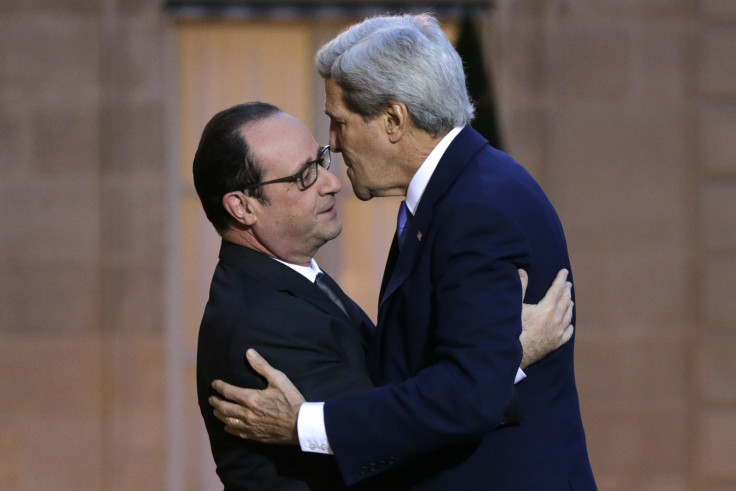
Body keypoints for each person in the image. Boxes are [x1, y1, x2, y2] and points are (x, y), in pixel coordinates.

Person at [194, 102, 575, 489]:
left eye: (321, 161)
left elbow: (390, 395)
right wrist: (508, 353)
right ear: (242, 207)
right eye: (305, 176)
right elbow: (395, 445)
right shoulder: (261, 320)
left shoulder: (293, 280)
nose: (332, 182)